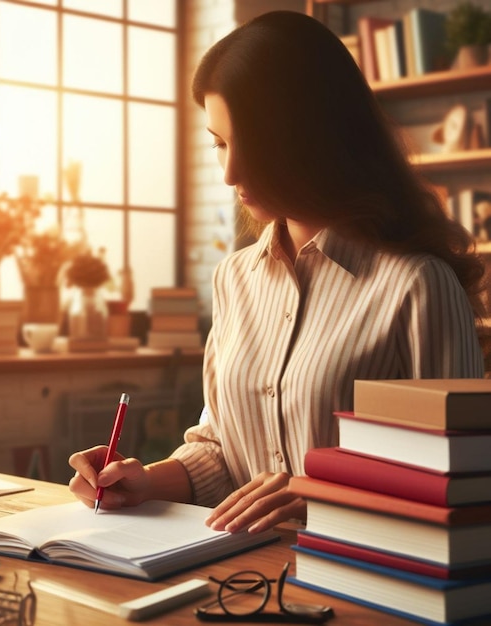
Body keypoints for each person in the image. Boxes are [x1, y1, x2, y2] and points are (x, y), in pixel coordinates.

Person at [69, 10, 486, 534]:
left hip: (366, 584)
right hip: (235, 576)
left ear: (313, 136)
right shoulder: (234, 280)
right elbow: (223, 450)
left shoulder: (416, 286)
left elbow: (458, 482)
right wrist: (145, 480)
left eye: (252, 144)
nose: (229, 173)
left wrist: (323, 495)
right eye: (218, 143)